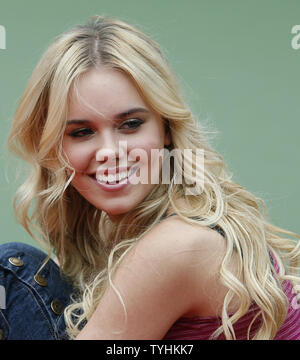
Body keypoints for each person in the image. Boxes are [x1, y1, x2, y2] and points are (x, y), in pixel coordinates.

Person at [1, 15, 300, 340]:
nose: (110, 152)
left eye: (130, 125)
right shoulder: (117, 228)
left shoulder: (179, 245)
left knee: (13, 270)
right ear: (55, 149)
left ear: (166, 128)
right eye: (82, 132)